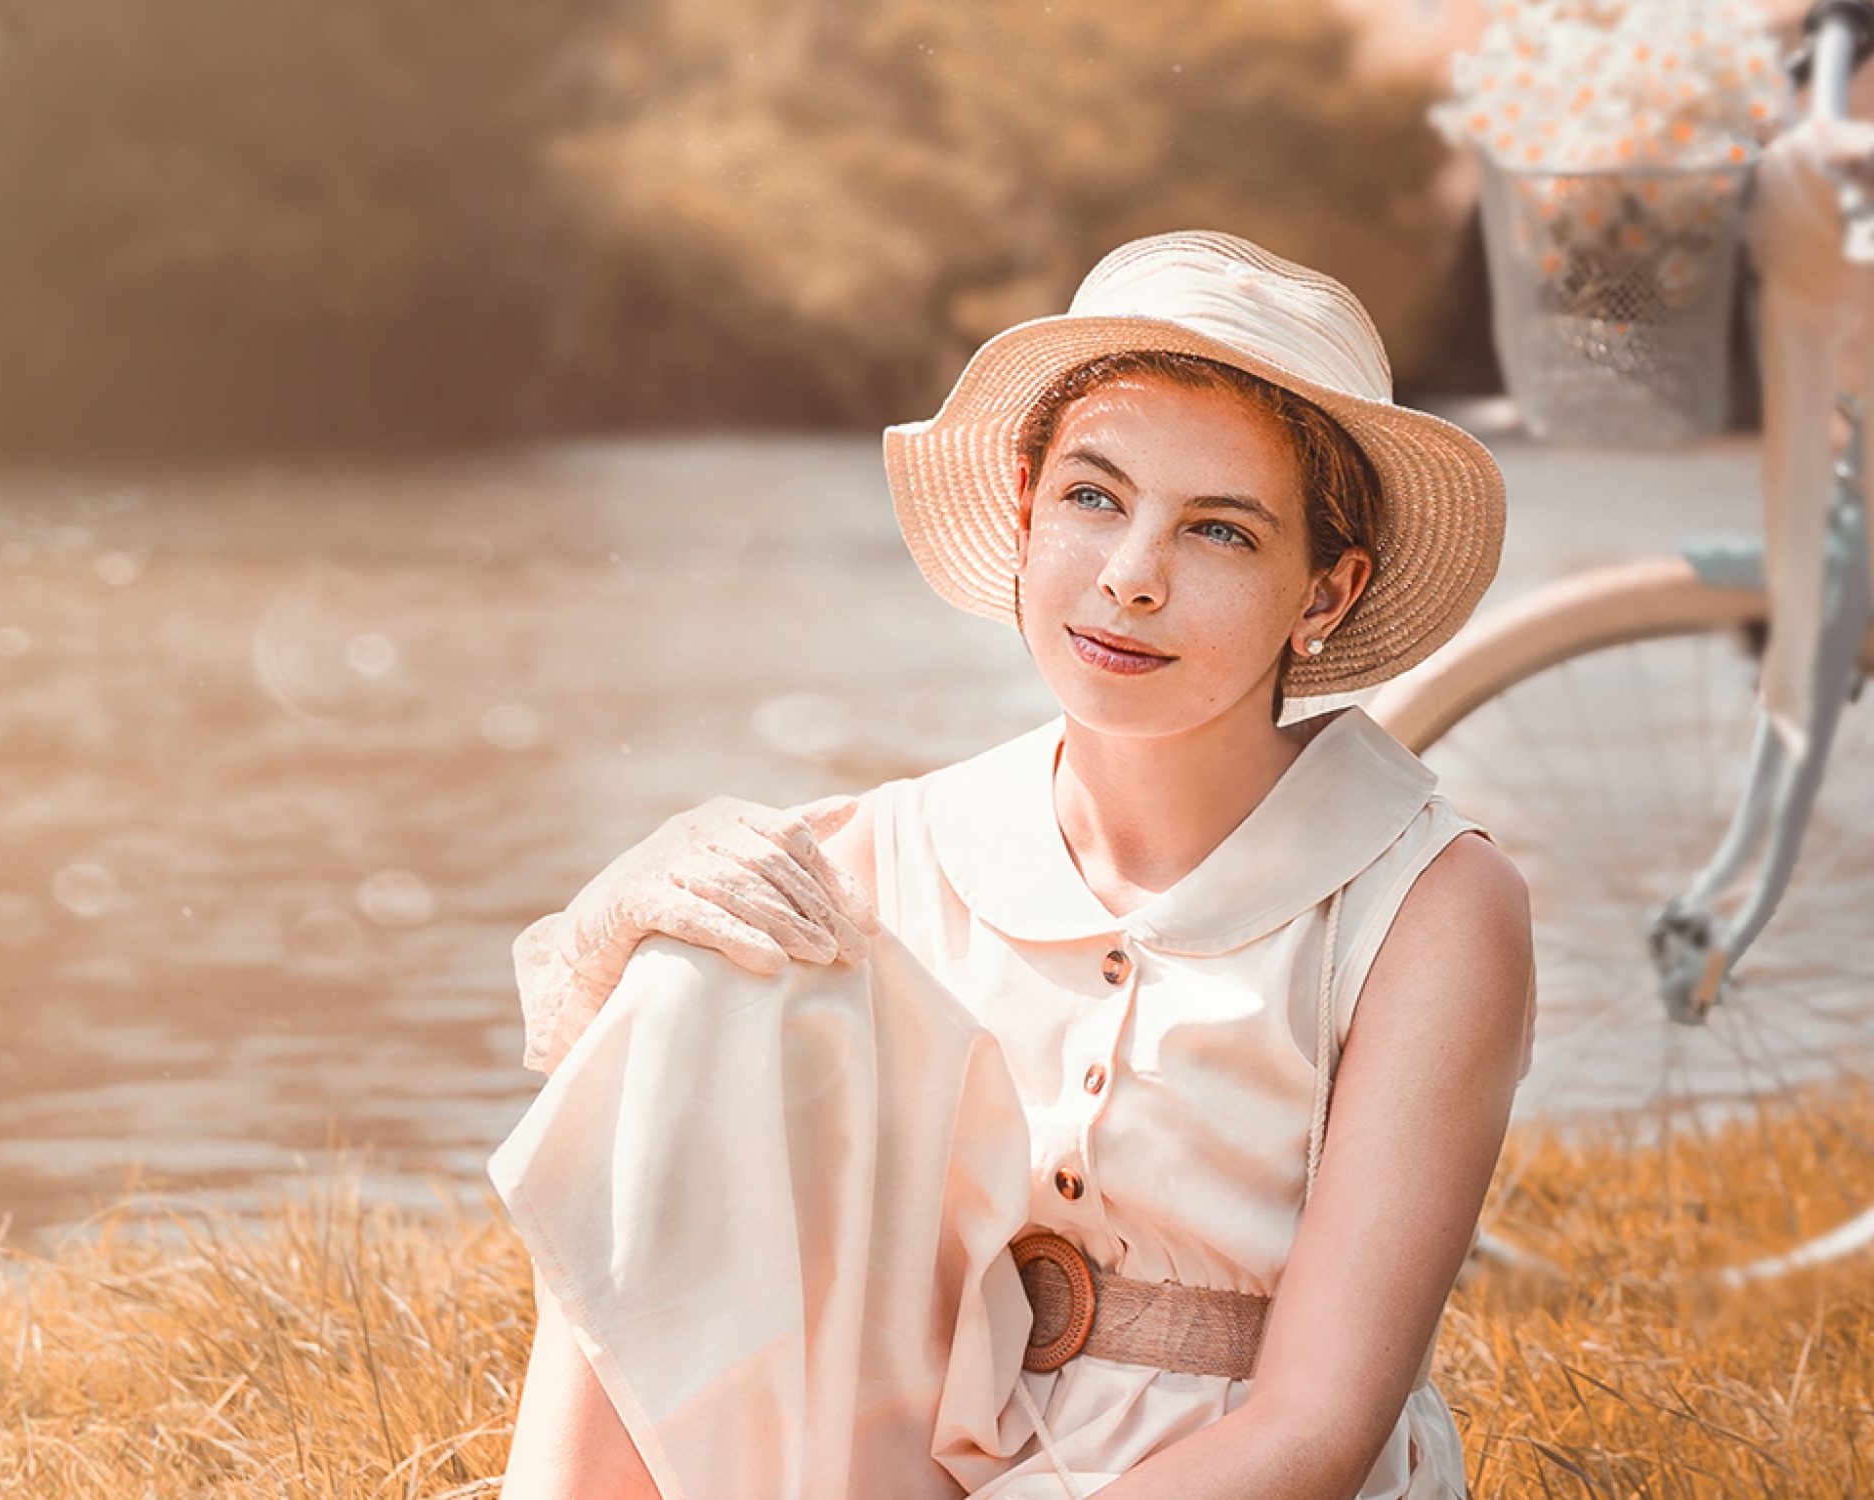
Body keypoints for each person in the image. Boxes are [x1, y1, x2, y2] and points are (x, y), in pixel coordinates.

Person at [486, 230, 1536, 1499]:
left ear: (1324, 593)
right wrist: (627, 914)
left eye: (1220, 532)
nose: (1129, 578)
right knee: (705, 958)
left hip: (1239, 1483)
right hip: (927, 1460)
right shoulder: (897, 849)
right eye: (1095, 498)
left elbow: (1314, 1432)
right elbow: (633, 1093)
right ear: (1028, 504)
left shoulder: (1423, 905)